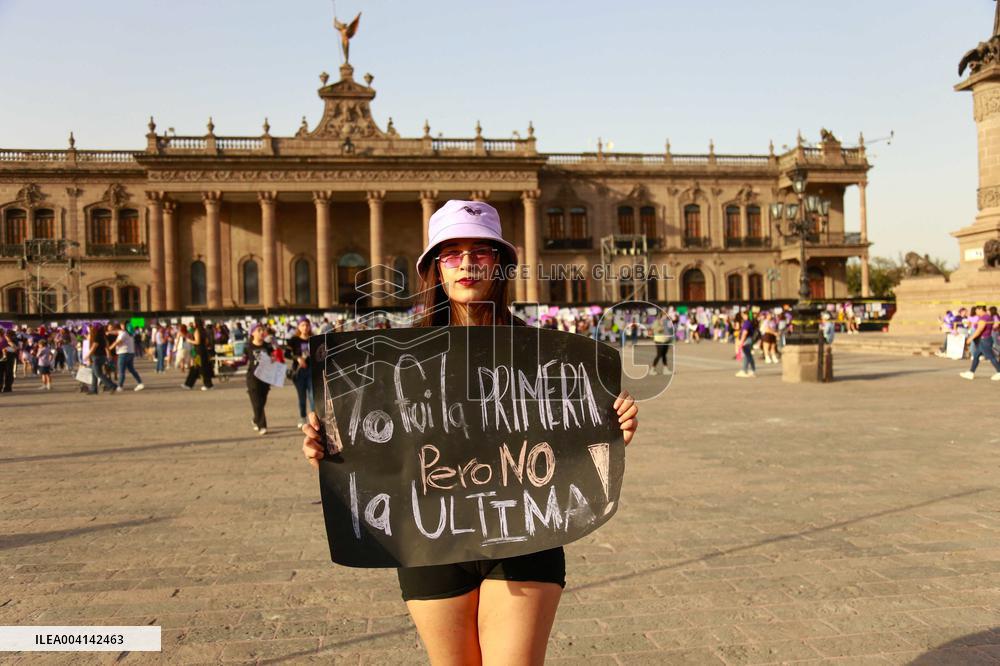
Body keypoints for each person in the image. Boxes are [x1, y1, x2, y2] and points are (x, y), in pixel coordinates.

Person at [300, 200, 639, 665]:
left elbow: (570, 445)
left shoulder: (547, 358)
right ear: (435, 269)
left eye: (480, 251)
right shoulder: (390, 364)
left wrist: (610, 432)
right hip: (429, 537)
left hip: (526, 528)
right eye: (452, 253)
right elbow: (375, 453)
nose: (466, 263)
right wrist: (329, 452)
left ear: (499, 265)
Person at [244, 324, 273, 435]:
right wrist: (232, 363)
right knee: (256, 403)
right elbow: (243, 360)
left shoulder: (267, 346)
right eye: (258, 330)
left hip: (265, 379)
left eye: (262, 330)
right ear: (252, 333)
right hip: (253, 378)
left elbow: (274, 358)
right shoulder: (248, 347)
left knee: (262, 402)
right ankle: (262, 426)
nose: (261, 332)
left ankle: (256, 419)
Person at [287, 317, 315, 429]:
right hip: (299, 373)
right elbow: (286, 354)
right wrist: (297, 358)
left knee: (313, 397)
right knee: (302, 397)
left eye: (307, 325)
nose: (305, 327)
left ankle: (314, 420)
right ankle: (302, 418)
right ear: (298, 327)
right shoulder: (294, 340)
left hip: (311, 372)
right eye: (302, 325)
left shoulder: (314, 339)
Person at [959, 305, 1000, 380]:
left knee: (991, 357)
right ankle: (971, 372)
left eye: (977, 311)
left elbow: (979, 330)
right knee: (976, 356)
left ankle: (999, 371)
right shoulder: (988, 317)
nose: (976, 312)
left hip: (984, 340)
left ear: (981, 309)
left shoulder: (984, 318)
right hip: (984, 340)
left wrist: (971, 338)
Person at [109, 322, 145, 392]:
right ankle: (140, 383)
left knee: (121, 371)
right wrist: (109, 332)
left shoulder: (123, 334)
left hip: (123, 353)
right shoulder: (130, 333)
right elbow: (117, 332)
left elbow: (118, 342)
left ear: (125, 326)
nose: (121, 326)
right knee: (132, 370)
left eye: (122, 325)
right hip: (130, 353)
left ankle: (120, 386)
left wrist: (109, 348)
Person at [84, 324, 117, 395]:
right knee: (94, 373)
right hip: (102, 356)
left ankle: (112, 385)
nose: (92, 328)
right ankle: (93, 389)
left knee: (98, 373)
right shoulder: (103, 336)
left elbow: (94, 347)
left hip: (97, 357)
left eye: (93, 327)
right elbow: (106, 346)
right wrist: (108, 355)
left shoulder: (97, 336)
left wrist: (87, 355)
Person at [182, 318, 214, 390]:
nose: (193, 324)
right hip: (203, 350)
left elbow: (197, 341)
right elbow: (206, 341)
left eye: (194, 323)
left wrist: (189, 341)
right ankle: (188, 384)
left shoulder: (197, 331)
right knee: (196, 368)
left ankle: (208, 385)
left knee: (202, 368)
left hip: (199, 352)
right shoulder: (204, 331)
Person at [735, 311, 757, 378]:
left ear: (747, 315)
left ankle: (744, 370)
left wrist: (741, 341)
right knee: (749, 355)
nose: (743, 316)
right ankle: (752, 370)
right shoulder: (751, 322)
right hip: (749, 340)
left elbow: (745, 332)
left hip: (746, 340)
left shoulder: (747, 322)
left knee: (746, 355)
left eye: (744, 315)